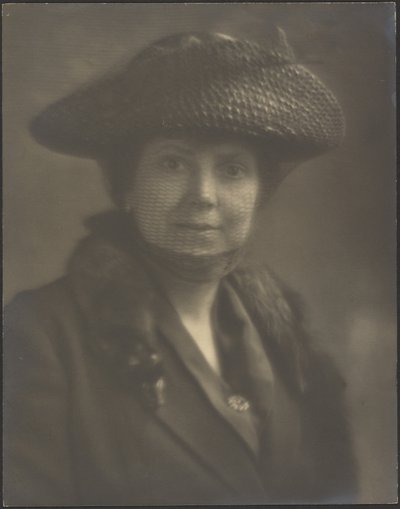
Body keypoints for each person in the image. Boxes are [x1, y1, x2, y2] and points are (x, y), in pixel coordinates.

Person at [4, 30, 357, 506]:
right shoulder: (41, 332)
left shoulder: (288, 339)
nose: (203, 195)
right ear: (126, 186)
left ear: (259, 195)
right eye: (173, 164)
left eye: (232, 169)